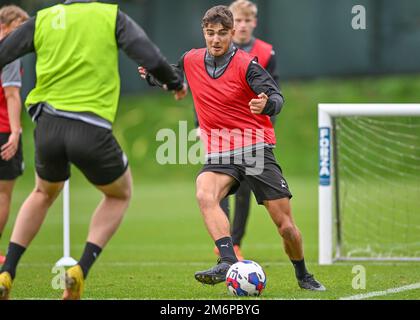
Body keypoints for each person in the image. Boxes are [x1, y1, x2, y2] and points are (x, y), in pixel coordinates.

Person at [0, 0, 186, 300]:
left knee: (42, 193)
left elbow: (4, 51)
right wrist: (174, 82)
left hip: (47, 127)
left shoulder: (44, 18)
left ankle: (7, 271)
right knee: (119, 193)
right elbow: (147, 53)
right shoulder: (110, 16)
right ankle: (80, 270)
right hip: (90, 128)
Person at [140, 6, 325, 291]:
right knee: (204, 190)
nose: (215, 39)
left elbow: (276, 96)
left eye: (222, 33)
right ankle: (227, 260)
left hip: (255, 149)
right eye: (210, 33)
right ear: (204, 32)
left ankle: (303, 275)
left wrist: (266, 104)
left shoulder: (247, 64)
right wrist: (151, 75)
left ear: (232, 33)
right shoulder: (191, 59)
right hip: (221, 152)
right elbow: (171, 77)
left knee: (286, 227)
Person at [213, 0, 281, 261]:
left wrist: (266, 128)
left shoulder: (265, 53)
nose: (241, 26)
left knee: (244, 189)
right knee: (219, 184)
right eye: (237, 21)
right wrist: (199, 126)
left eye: (246, 21)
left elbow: (275, 93)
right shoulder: (217, 51)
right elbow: (202, 88)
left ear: (254, 22)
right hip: (220, 129)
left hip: (252, 133)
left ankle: (236, 243)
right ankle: (225, 243)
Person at [0, 5, 28, 266]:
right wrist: (16, 131)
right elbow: (11, 95)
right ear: (5, 26)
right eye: (19, 29)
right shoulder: (9, 53)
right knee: (3, 194)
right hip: (4, 130)